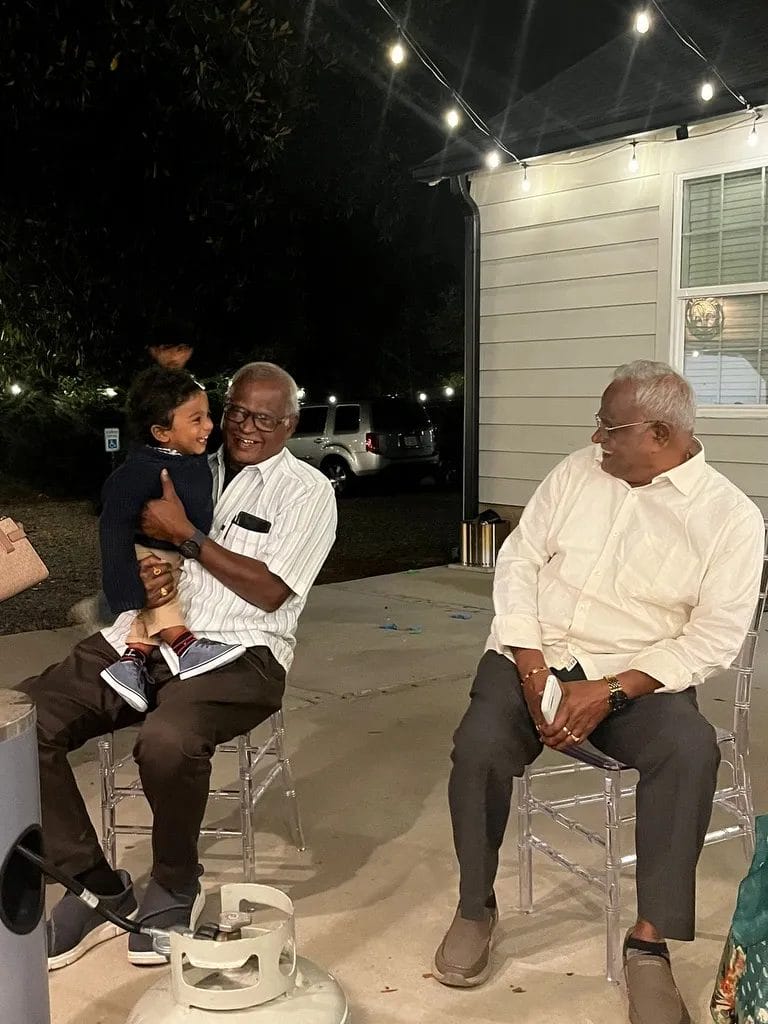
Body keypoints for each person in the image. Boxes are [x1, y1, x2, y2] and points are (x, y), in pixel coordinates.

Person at [433, 361, 765, 1024]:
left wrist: (610, 690)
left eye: (612, 429)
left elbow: (714, 638)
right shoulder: (576, 472)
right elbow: (520, 562)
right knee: (479, 748)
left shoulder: (731, 519)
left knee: (691, 749)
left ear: (661, 434)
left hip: (637, 679)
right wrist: (531, 668)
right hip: (534, 655)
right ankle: (476, 905)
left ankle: (650, 944)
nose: (597, 438)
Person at [19, 361, 337, 971]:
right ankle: (92, 883)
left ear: (291, 423)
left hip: (245, 651)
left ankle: (173, 883)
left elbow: (272, 590)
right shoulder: (187, 462)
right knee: (20, 721)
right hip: (143, 636)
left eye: (264, 418)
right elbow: (126, 531)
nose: (243, 427)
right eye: (236, 411)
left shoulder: (307, 491)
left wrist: (187, 536)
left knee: (167, 740)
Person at [99, 365, 245, 712]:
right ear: (162, 433)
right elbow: (113, 525)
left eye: (209, 416)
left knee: (167, 586)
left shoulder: (192, 459)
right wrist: (125, 591)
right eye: (196, 420)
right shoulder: (141, 471)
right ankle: (184, 647)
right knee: (160, 586)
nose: (209, 426)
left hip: (178, 552)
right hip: (150, 553)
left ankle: (131, 661)